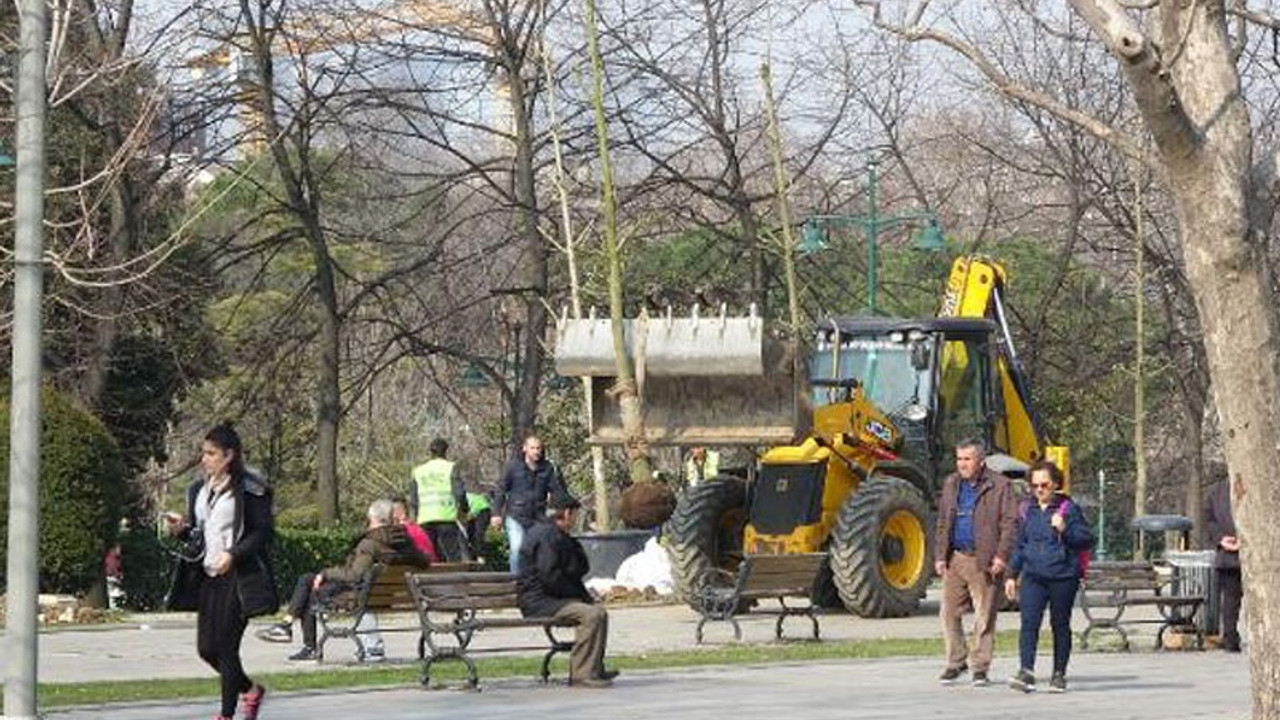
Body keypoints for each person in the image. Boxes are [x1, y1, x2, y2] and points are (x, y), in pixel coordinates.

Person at [165, 423, 276, 720]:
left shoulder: (251, 488)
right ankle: (251, 690)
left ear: (229, 455)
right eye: (204, 453)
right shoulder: (199, 491)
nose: (205, 459)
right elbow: (201, 535)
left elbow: (262, 532)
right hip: (209, 576)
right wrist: (182, 531)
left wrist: (234, 554)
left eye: (211, 454)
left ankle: (226, 715)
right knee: (207, 649)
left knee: (226, 647)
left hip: (238, 578)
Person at [256, 499, 431, 661]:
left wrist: (325, 574)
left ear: (373, 518)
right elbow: (425, 561)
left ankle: (297, 636)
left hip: (360, 595)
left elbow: (355, 575)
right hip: (386, 595)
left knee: (310, 587)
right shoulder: (405, 542)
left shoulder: (370, 544)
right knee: (308, 579)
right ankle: (286, 626)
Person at [932, 437, 1017, 687]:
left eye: (967, 459)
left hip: (984, 559)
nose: (962, 464)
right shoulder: (951, 484)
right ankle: (955, 661)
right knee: (948, 613)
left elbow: (1010, 523)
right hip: (955, 558)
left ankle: (979, 666)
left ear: (980, 461)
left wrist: (1001, 555)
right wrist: (939, 556)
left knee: (984, 614)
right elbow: (943, 522)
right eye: (959, 459)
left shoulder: (1000, 485)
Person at [1004, 461, 1093, 693]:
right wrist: (1012, 575)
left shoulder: (1068, 508)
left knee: (1060, 624)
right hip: (1034, 575)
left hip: (1063, 575)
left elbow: (1086, 539)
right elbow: (1021, 545)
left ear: (1055, 484)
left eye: (1044, 485)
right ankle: (1026, 671)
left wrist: (1065, 529)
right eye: (1035, 486)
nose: (1040, 490)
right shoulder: (1027, 510)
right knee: (1028, 623)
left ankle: (1059, 674)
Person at [516, 493, 617, 688]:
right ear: (567, 514)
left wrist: (582, 597)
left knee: (597, 611)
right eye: (575, 515)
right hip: (540, 602)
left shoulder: (556, 534)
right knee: (591, 615)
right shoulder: (546, 536)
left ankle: (594, 668)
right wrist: (575, 598)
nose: (576, 520)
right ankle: (582, 674)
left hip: (551, 598)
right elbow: (550, 576)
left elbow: (574, 570)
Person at [493, 434, 567, 574]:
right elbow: (501, 489)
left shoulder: (547, 468)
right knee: (517, 548)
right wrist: (496, 513)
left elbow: (557, 490)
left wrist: (562, 511)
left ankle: (536, 582)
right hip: (516, 515)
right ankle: (516, 582)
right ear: (525, 449)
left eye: (538, 448)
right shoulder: (513, 467)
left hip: (538, 516)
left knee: (539, 550)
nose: (536, 451)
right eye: (532, 448)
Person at [409, 438, 471, 562]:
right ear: (446, 451)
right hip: (446, 517)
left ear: (430, 451)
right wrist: (464, 509)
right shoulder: (451, 467)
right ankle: (454, 580)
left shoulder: (418, 471)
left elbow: (414, 499)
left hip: (425, 518)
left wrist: (415, 517)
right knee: (453, 556)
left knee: (429, 556)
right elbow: (459, 492)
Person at [1205, 477, 1242, 652]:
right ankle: (1230, 636)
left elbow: (1209, 520)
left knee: (1230, 601)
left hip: (1228, 555)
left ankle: (1230, 638)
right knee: (1230, 600)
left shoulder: (1216, 490)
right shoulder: (1218, 490)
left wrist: (1221, 538)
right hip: (1232, 555)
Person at [464, 489, 494, 563]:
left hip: (483, 509)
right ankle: (474, 556)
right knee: (470, 534)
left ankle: (481, 557)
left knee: (478, 533)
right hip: (473, 511)